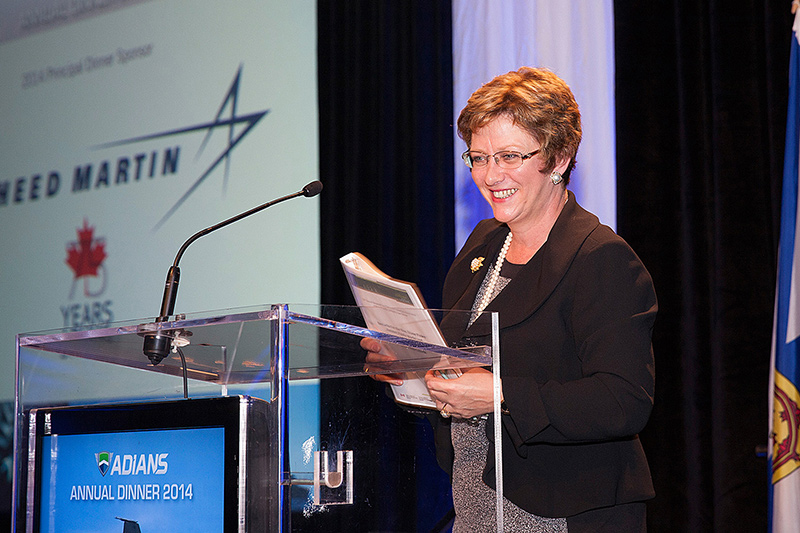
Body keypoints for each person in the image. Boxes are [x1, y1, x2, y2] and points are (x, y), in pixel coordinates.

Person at [365, 67, 656, 532]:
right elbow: (462, 377)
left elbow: (623, 400)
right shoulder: (483, 244)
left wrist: (499, 394)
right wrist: (411, 367)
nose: (489, 175)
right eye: (478, 157)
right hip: (476, 508)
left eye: (509, 156)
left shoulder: (600, 258)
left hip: (562, 515)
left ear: (558, 158)